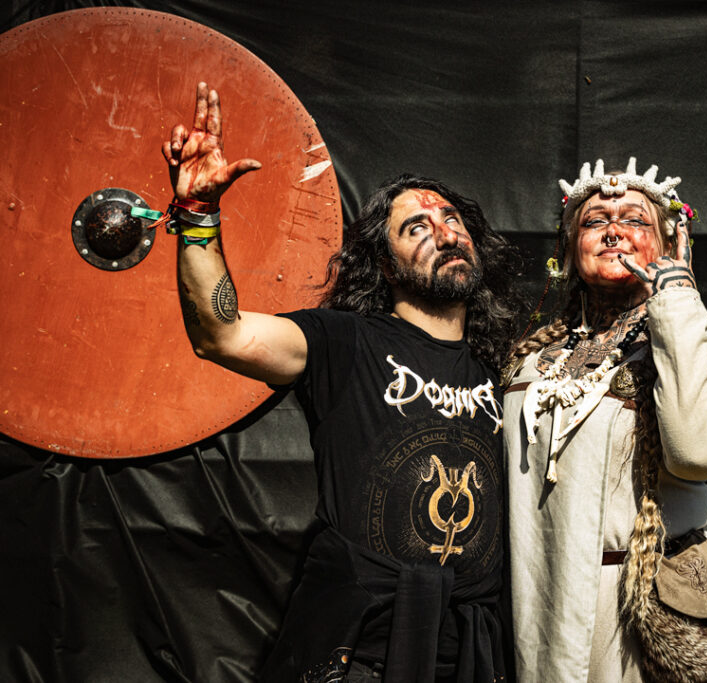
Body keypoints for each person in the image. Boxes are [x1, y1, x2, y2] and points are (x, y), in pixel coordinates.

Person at [162, 82, 522, 682]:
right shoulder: (344, 342)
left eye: (451, 219)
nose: (443, 233)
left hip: (469, 656)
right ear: (385, 265)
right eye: (416, 228)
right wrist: (199, 215)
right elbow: (221, 333)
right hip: (358, 654)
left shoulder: (503, 368)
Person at [502, 158, 707, 682]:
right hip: (542, 604)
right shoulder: (529, 361)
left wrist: (677, 299)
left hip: (641, 608)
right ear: (570, 250)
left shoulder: (696, 345)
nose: (613, 231)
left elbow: (697, 454)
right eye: (595, 221)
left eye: (635, 220)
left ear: (668, 246)